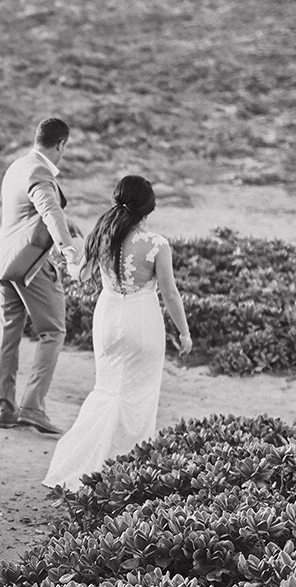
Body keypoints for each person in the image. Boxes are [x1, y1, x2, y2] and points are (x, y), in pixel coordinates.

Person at [43, 175, 191, 488]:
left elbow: (81, 275)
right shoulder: (156, 245)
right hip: (142, 318)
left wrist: (68, 255)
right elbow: (171, 293)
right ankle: (125, 469)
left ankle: (84, 461)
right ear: (147, 209)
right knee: (139, 396)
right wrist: (185, 332)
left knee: (107, 390)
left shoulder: (103, 234)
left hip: (108, 316)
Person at [0, 116, 82, 434]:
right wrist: (68, 250)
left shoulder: (18, 166)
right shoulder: (41, 173)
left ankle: (7, 408)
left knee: (9, 333)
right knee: (53, 331)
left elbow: (30, 211)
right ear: (62, 144)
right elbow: (49, 210)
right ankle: (33, 407)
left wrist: (65, 224)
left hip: (2, 261)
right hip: (29, 266)